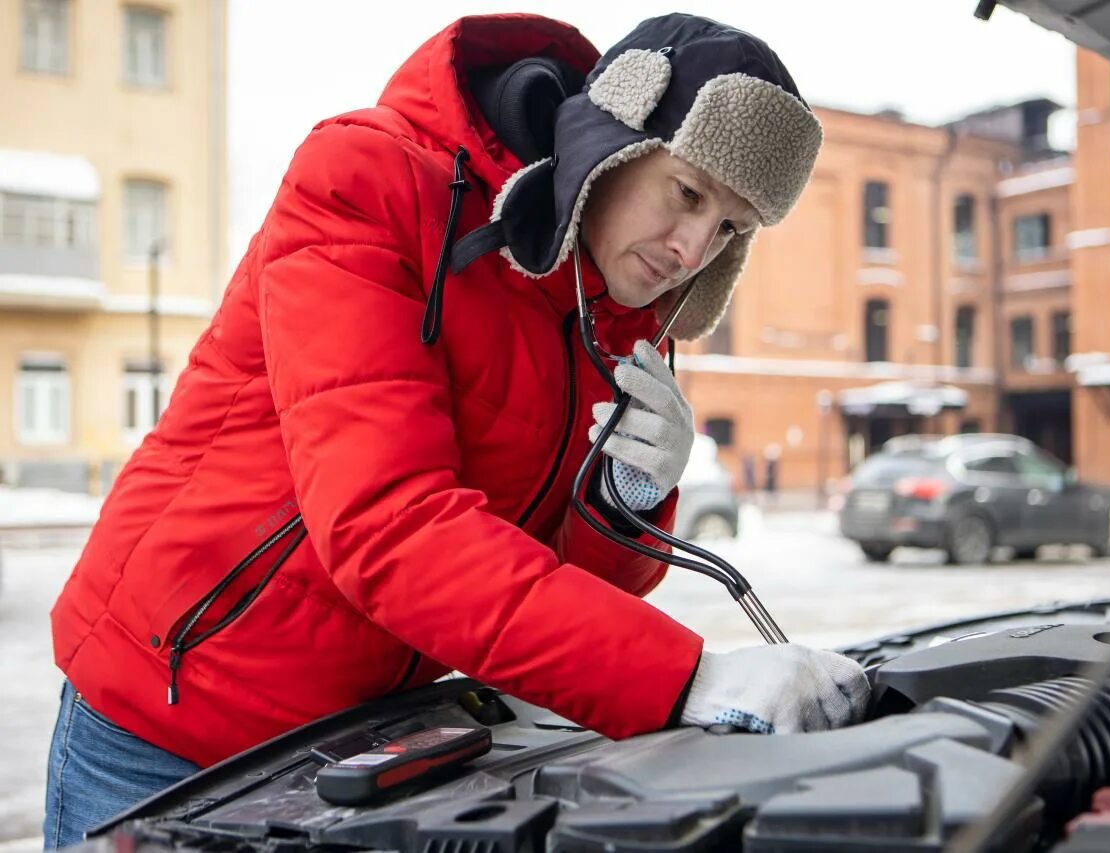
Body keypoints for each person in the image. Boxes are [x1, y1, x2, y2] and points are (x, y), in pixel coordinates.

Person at [43, 13, 869, 848]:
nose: (692, 247)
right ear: (612, 137)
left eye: (729, 228)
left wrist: (630, 493)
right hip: (170, 717)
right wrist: (690, 676)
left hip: (355, 745)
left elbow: (568, 585)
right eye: (687, 193)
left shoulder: (617, 316)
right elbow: (387, 527)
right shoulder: (366, 181)